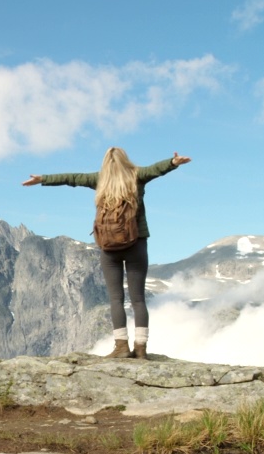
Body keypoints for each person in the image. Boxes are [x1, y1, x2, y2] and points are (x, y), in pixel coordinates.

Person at [23, 148, 191, 360]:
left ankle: (121, 346)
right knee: (138, 299)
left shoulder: (99, 179)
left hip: (108, 247)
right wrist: (173, 162)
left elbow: (71, 178)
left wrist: (43, 179)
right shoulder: (136, 176)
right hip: (136, 243)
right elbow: (156, 169)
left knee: (115, 299)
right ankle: (140, 349)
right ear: (125, 160)